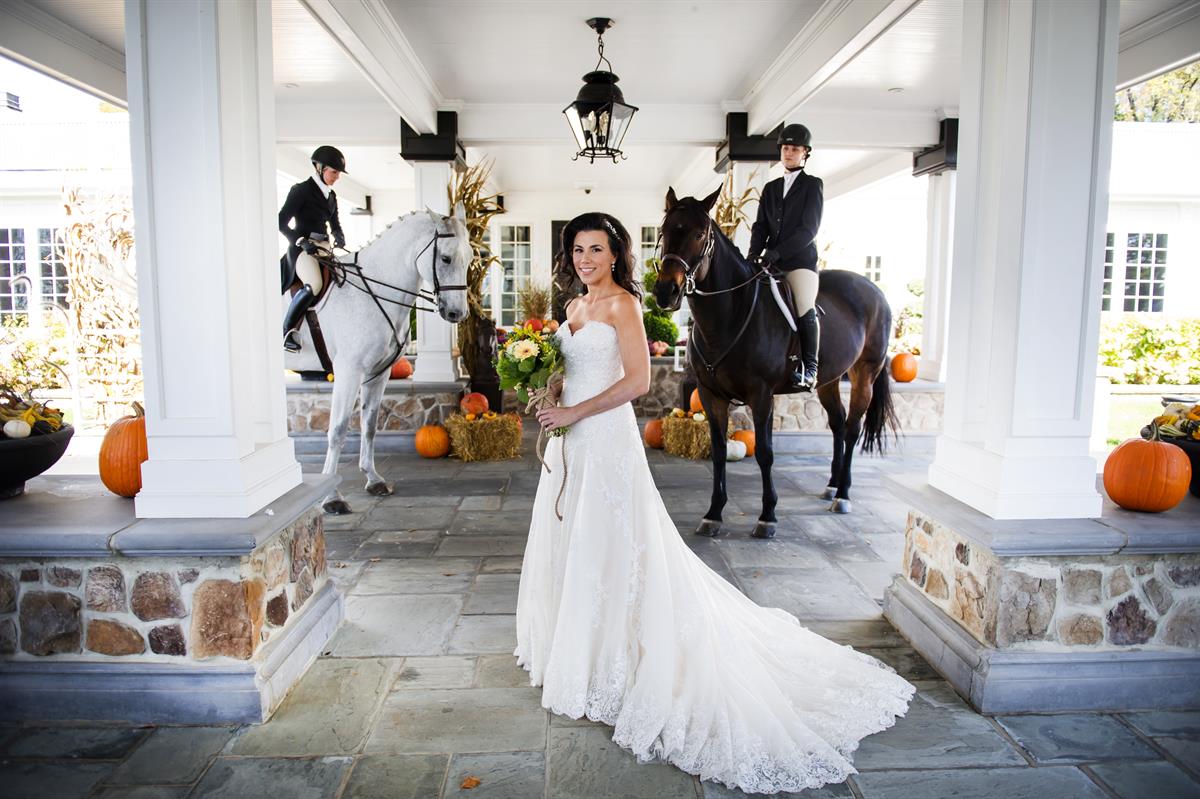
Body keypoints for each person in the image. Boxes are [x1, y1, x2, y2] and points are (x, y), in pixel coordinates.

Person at [516, 212, 913, 795]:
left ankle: (806, 361)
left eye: (596, 250)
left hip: (606, 437)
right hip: (570, 439)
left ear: (616, 254)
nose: (585, 260)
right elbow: (574, 369)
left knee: (615, 540)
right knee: (576, 537)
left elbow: (636, 383)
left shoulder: (624, 306)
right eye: (578, 249)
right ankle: (579, 647)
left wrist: (575, 409)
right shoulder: (573, 306)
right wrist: (551, 389)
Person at [749, 123, 823, 391]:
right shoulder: (770, 188)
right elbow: (760, 226)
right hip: (770, 263)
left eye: (794, 149)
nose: (789, 153)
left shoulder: (812, 185)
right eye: (785, 148)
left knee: (803, 304)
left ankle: (810, 369)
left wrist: (777, 252)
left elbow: (808, 230)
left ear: (805, 153)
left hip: (799, 263)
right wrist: (753, 253)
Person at [279, 145, 348, 352]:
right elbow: (281, 222)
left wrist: (339, 234)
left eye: (338, 173)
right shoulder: (301, 191)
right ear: (320, 168)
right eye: (334, 172)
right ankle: (287, 332)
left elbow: (334, 222)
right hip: (302, 249)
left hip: (323, 247)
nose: (337, 177)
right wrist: (301, 241)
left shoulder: (331, 195)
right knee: (314, 284)